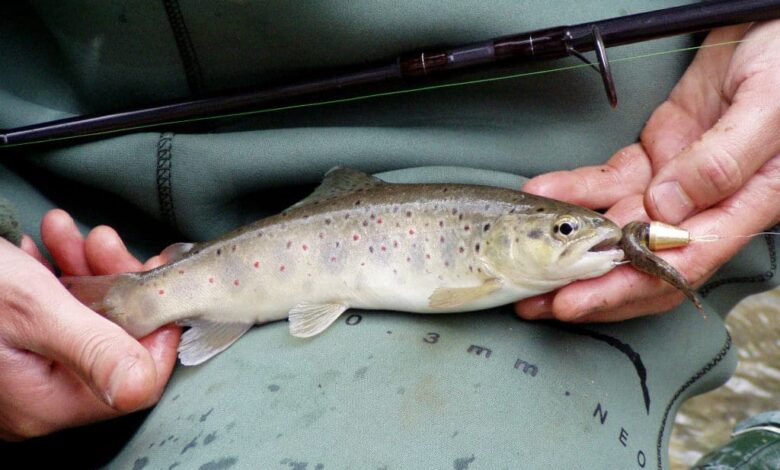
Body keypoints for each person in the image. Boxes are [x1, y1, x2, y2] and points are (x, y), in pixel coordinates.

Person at [0, 5, 777, 466]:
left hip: (602, 148)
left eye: (570, 234)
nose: (590, 238)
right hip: (31, 181)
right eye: (568, 233)